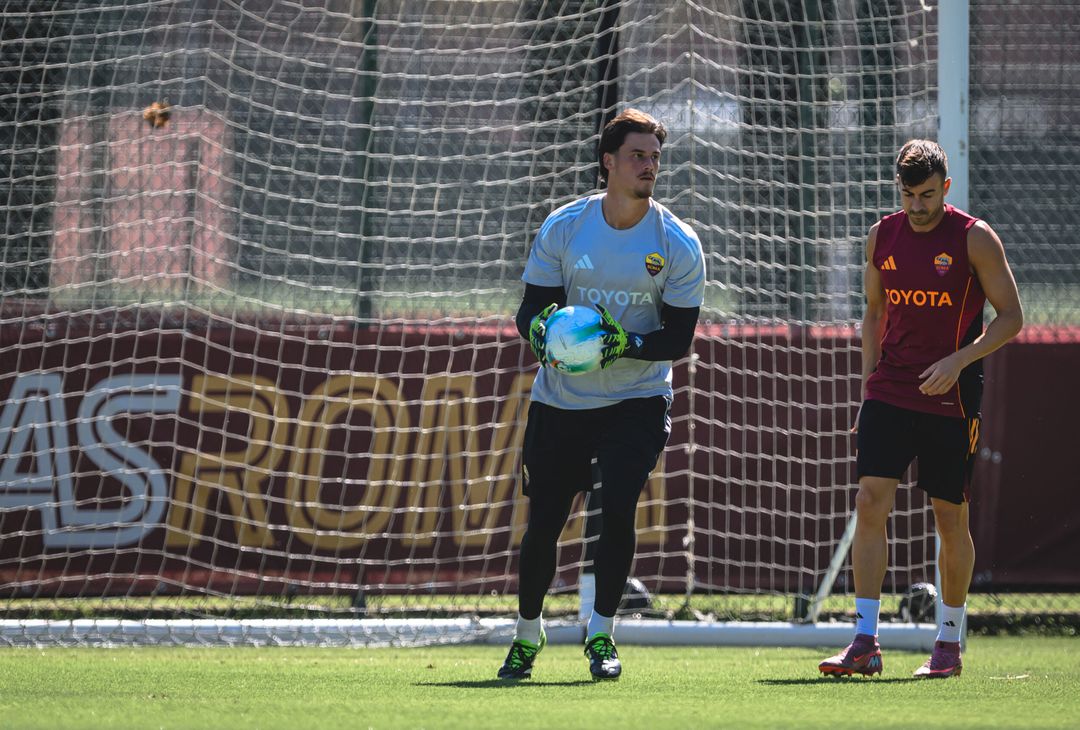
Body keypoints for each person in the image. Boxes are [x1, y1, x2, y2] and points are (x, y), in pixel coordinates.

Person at [498, 109, 706, 681]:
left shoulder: (678, 243)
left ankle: (601, 635)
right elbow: (530, 309)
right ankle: (526, 634)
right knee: (544, 523)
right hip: (562, 399)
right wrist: (540, 331)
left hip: (637, 398)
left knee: (616, 508)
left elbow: (677, 339)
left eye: (655, 157)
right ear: (608, 162)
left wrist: (624, 342)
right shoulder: (565, 227)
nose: (649, 166)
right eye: (638, 156)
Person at [819, 139, 1023, 679]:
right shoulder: (881, 235)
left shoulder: (974, 237)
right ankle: (865, 641)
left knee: (948, 516)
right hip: (889, 388)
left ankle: (949, 643)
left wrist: (959, 361)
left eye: (927, 195)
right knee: (868, 500)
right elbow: (873, 314)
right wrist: (867, 389)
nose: (917, 206)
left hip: (952, 393)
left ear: (946, 188)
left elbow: (1011, 317)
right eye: (908, 195)